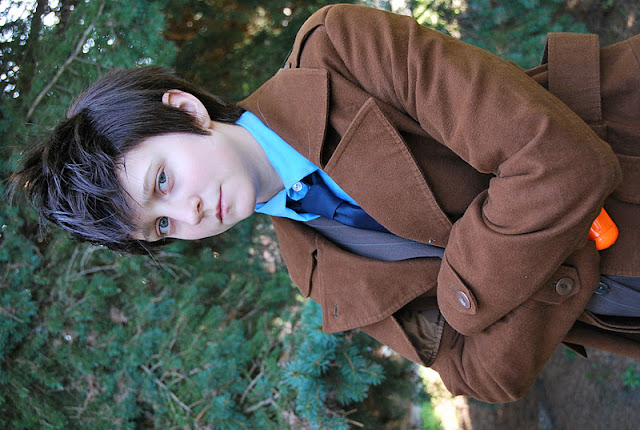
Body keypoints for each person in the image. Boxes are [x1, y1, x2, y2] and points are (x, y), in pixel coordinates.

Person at [12, 4, 640, 402]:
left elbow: (559, 162)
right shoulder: (312, 269)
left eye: (161, 183)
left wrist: (468, 300)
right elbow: (482, 377)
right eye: (162, 226)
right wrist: (552, 234)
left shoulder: (338, 52)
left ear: (185, 110)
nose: (188, 215)